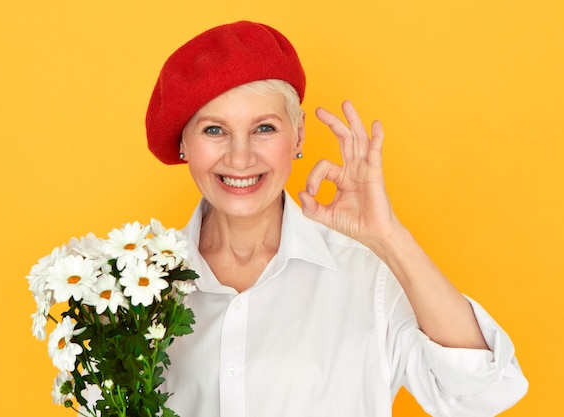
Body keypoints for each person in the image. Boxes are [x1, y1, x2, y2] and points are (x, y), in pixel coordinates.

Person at [144, 21, 528, 417]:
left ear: (298, 135)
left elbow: (484, 394)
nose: (240, 158)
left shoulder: (369, 276)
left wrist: (389, 236)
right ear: (184, 144)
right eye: (214, 130)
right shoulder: (132, 288)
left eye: (264, 128)